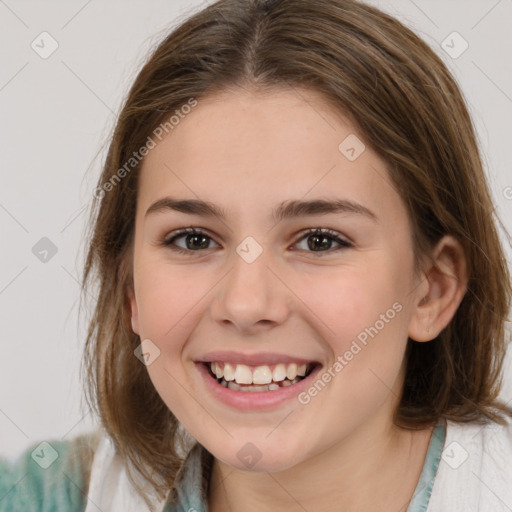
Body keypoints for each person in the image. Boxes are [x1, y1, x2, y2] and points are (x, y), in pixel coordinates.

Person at [1, 0, 511, 510]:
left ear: (433, 289)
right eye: (193, 240)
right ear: (131, 285)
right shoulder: (44, 495)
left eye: (319, 240)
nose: (246, 305)